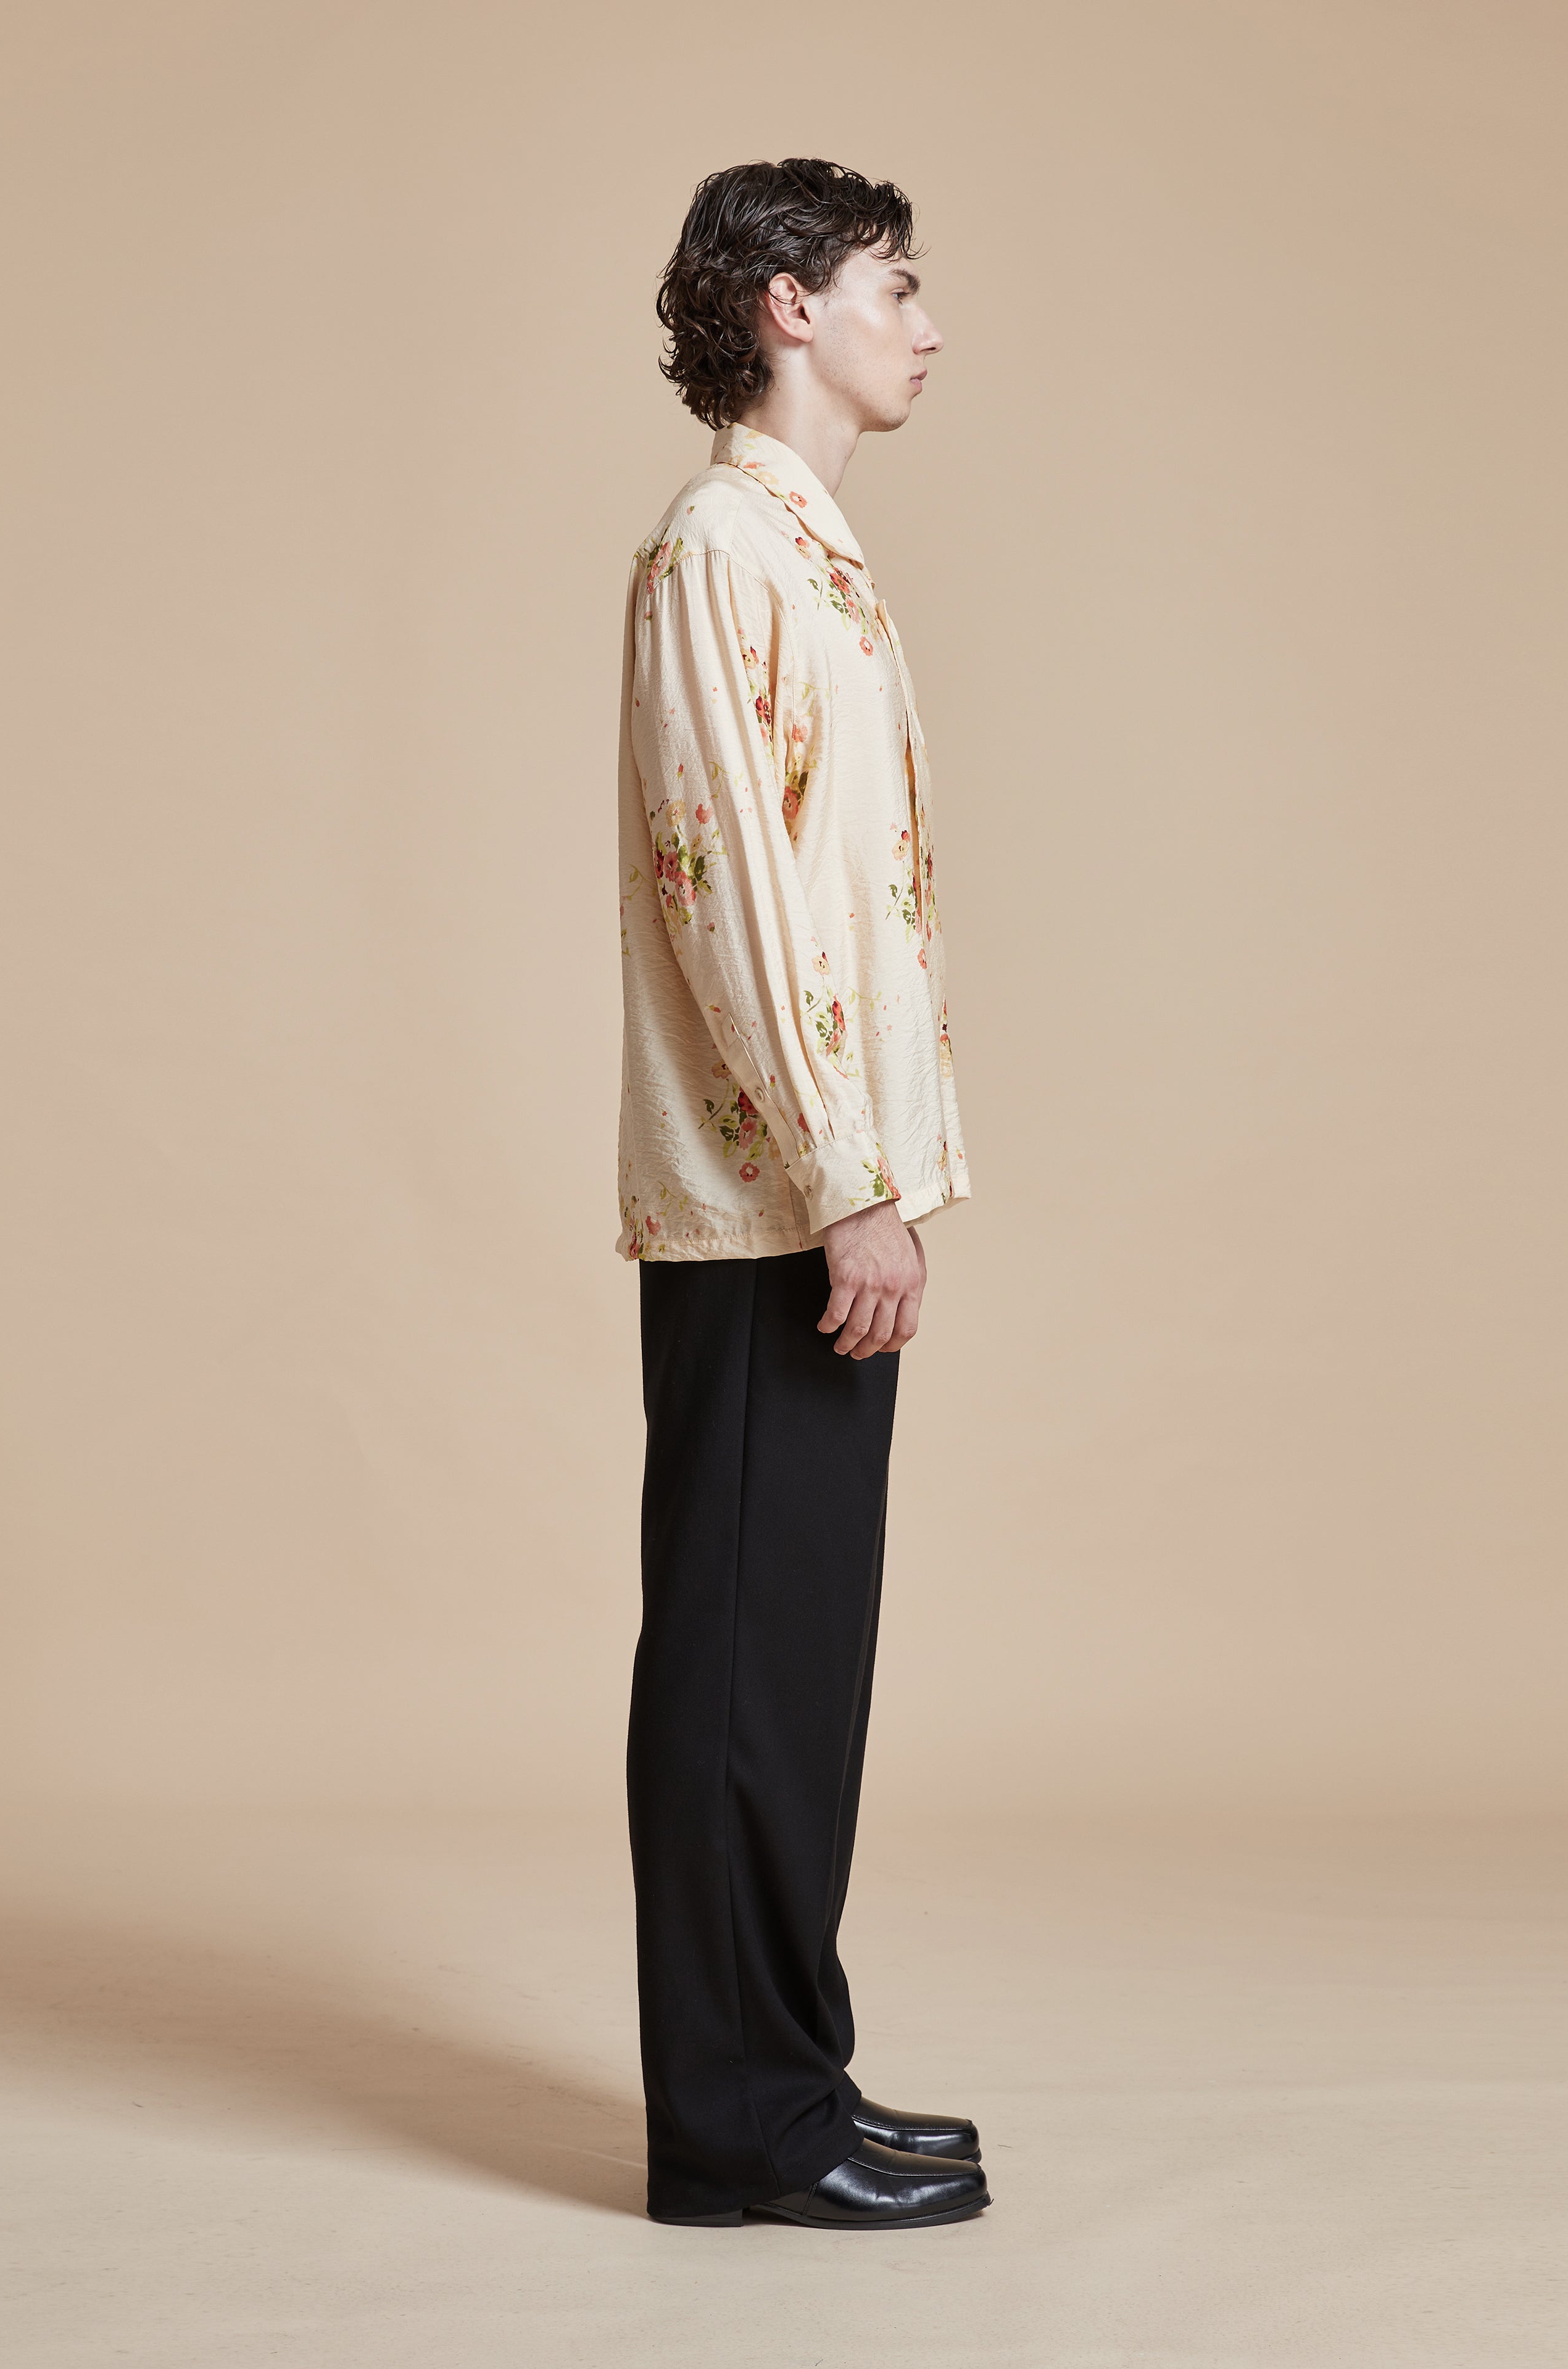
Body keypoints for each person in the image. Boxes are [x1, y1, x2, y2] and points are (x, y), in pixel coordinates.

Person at [615, 157, 987, 2231]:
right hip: (772, 1207)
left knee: (796, 1664)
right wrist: (852, 1186)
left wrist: (887, 1175)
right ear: (783, 303)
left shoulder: (807, 550)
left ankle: (795, 2075)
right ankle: (741, 2134)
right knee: (747, 1664)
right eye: (893, 284)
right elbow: (734, 903)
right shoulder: (717, 552)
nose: (925, 323)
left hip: (831, 1189)